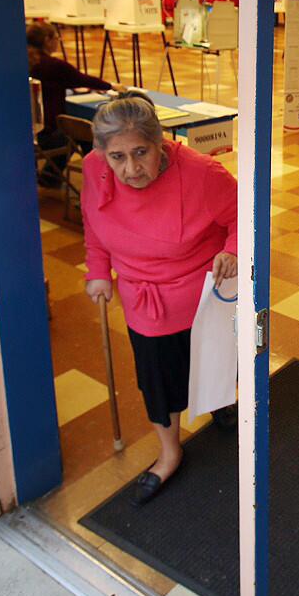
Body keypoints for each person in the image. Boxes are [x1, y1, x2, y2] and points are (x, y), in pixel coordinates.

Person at [81, 94, 239, 507]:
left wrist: (234, 250)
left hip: (206, 292)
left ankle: (220, 403)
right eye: (117, 156)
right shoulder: (94, 171)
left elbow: (245, 213)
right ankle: (170, 452)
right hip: (146, 300)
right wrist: (98, 271)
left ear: (160, 144)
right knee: (158, 378)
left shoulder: (202, 173)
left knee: (215, 360)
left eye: (140, 153)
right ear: (102, 153)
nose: (130, 169)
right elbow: (94, 226)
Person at [27, 22, 113, 187]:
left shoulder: (26, 61)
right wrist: (111, 86)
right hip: (47, 133)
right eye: (57, 38)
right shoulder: (53, 66)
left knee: (71, 130)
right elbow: (81, 79)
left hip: (31, 131)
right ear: (47, 40)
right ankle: (100, 181)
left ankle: (50, 176)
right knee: (84, 135)